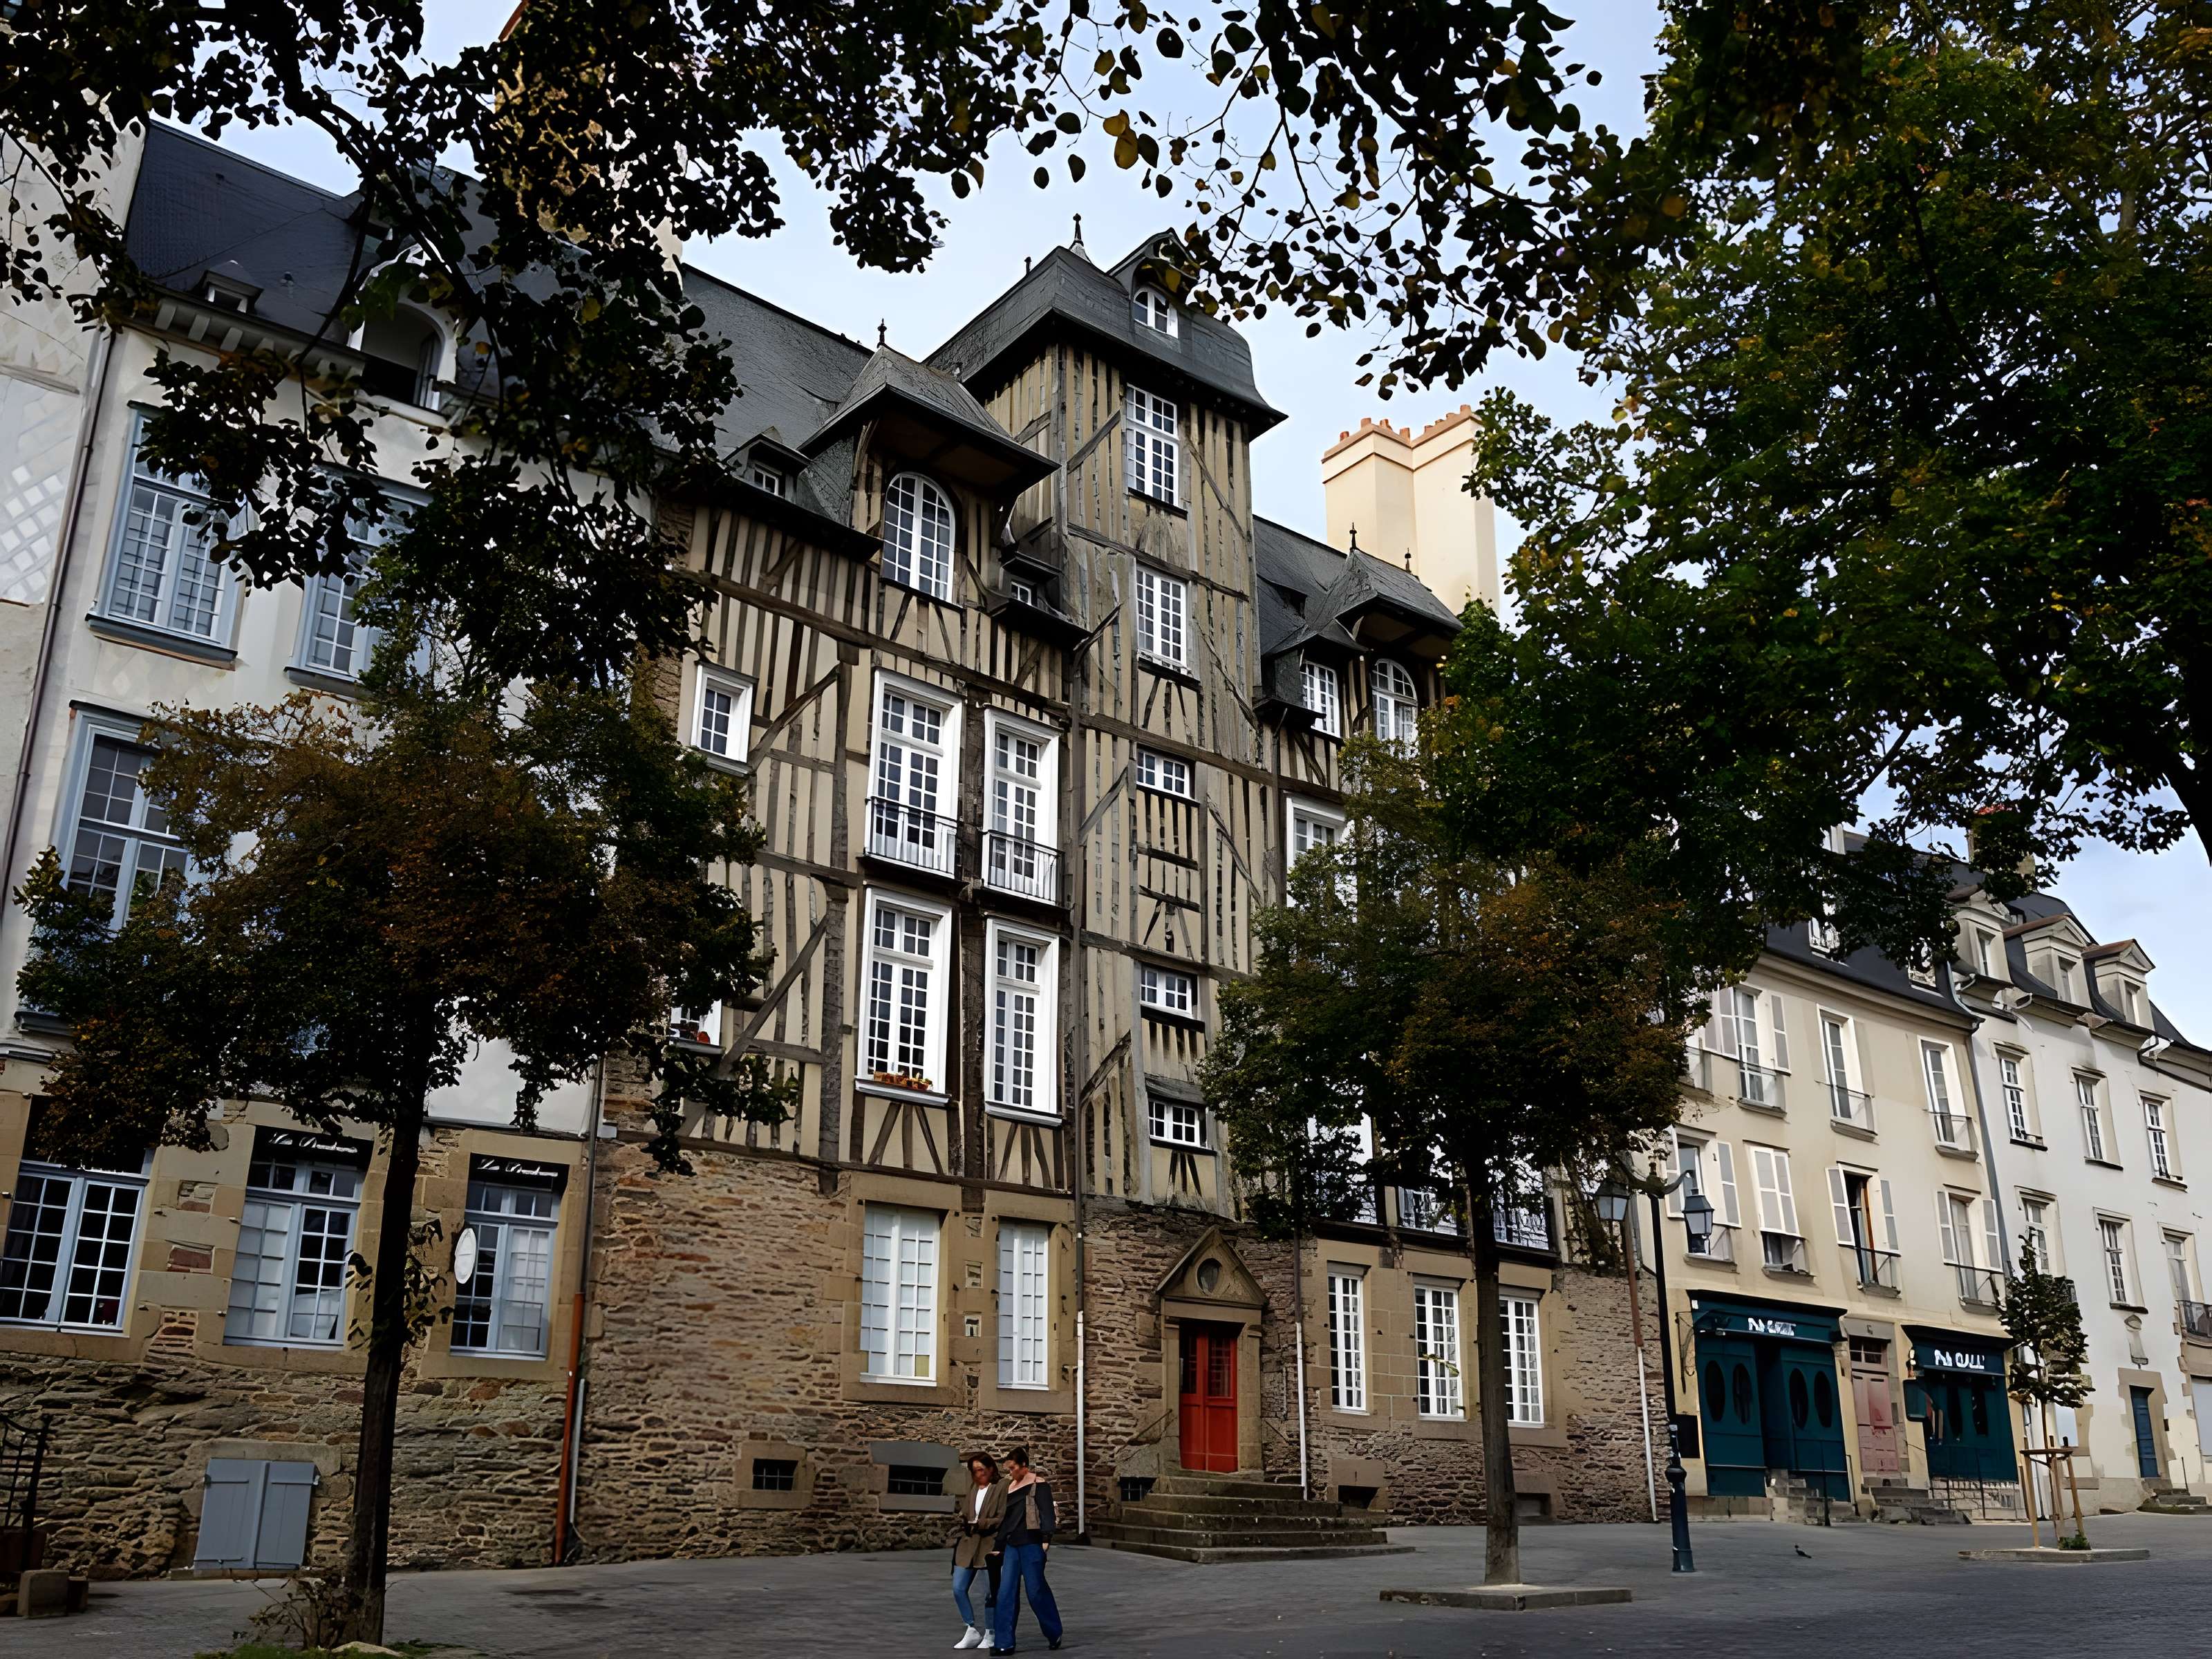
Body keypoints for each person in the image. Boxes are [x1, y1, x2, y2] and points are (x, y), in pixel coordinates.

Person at [990, 1444, 1063, 1654]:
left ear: (1024, 1465)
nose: (1010, 1472)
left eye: (1013, 1468)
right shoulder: (1010, 1487)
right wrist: (998, 1546)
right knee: (1006, 1593)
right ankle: (1004, 1643)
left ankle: (1054, 1632)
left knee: (1036, 1591)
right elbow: (1007, 1521)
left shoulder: (1039, 1485)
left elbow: (1047, 1514)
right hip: (1012, 1546)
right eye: (1009, 1469)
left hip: (1032, 1544)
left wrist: (1046, 1540)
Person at [950, 1452, 1006, 1651]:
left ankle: (991, 1632)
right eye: (974, 1471)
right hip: (968, 1545)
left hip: (988, 1545)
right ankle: (971, 1628)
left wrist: (981, 1523)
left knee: (990, 1592)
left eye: (981, 1470)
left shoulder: (1001, 1487)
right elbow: (966, 1512)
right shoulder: (973, 1488)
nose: (977, 1475)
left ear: (991, 1469)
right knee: (958, 1588)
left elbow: (1002, 1517)